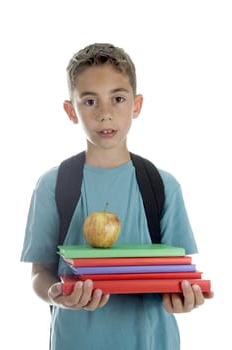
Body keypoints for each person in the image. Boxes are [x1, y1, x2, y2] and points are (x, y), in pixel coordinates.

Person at [20, 43, 213, 350]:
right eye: (90, 101)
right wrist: (57, 293)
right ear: (71, 111)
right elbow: (39, 274)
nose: (105, 113)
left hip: (152, 342)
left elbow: (179, 273)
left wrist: (184, 298)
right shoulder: (53, 185)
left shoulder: (163, 185)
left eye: (118, 99)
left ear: (136, 106)